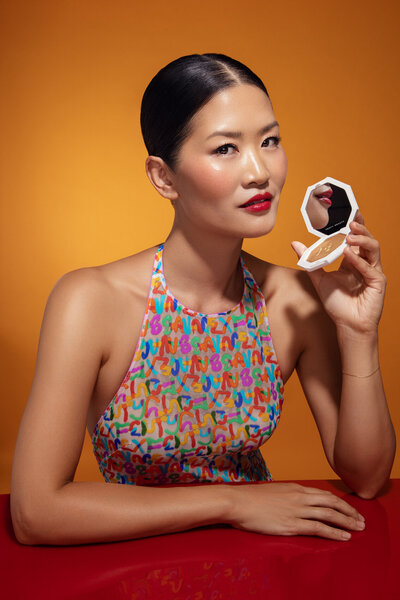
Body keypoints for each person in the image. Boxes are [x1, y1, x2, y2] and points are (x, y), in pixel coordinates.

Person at [10, 53, 395, 546]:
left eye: (270, 141)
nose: (260, 172)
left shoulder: (293, 297)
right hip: (132, 562)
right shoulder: (90, 301)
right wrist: (232, 502)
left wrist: (359, 333)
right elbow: (36, 513)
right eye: (226, 149)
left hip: (261, 559)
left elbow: (366, 478)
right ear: (163, 177)